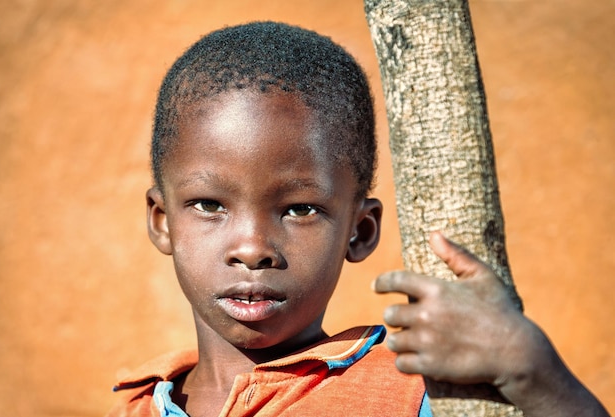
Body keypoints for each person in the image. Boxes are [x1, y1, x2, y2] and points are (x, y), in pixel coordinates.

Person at [106, 22, 609, 417]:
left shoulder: (417, 391)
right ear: (162, 220)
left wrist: (534, 373)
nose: (252, 247)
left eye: (300, 209)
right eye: (209, 205)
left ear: (360, 230)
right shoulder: (134, 405)